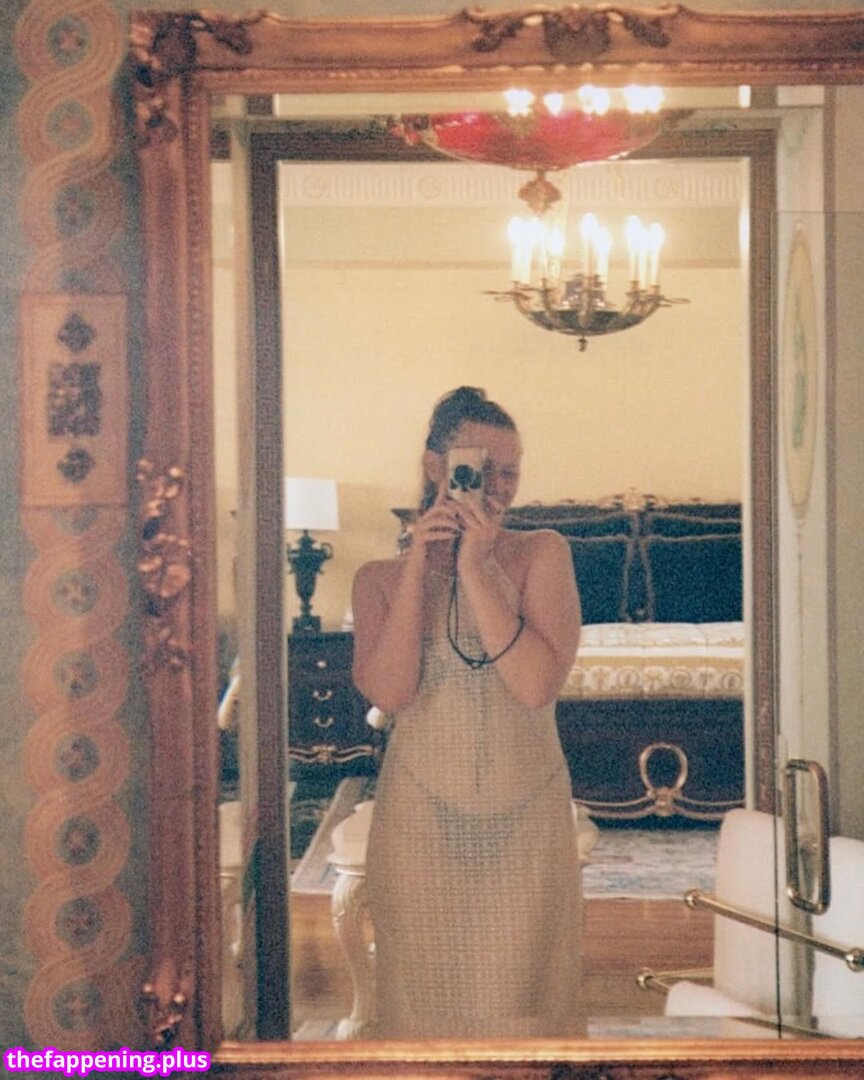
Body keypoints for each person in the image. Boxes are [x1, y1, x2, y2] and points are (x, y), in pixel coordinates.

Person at [352, 386, 583, 1039]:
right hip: (418, 824)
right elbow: (392, 694)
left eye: (511, 470)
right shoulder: (376, 579)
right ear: (437, 467)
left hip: (527, 822)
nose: (500, 486)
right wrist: (419, 564)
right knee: (420, 1010)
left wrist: (477, 570)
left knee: (527, 1013)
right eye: (484, 468)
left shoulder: (542, 553)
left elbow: (534, 686)